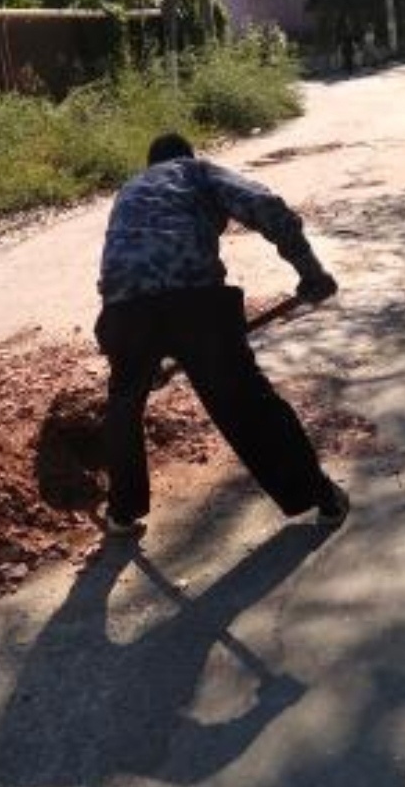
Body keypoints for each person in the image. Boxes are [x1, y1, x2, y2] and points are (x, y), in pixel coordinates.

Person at [95, 132, 350, 536]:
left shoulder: (130, 190)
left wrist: (142, 357)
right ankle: (321, 497)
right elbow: (266, 206)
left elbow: (125, 266)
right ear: (187, 155)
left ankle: (121, 513)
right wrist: (311, 272)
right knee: (244, 400)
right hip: (197, 303)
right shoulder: (196, 172)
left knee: (123, 405)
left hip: (123, 311)